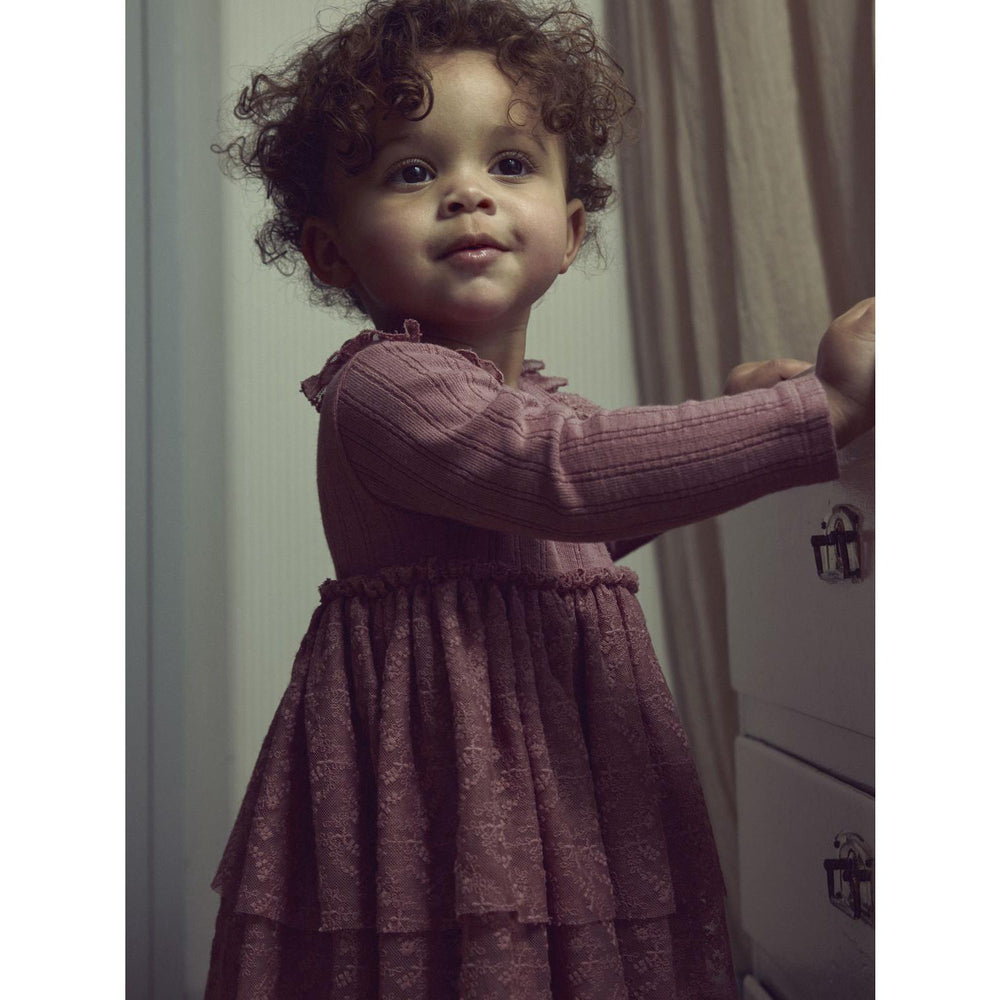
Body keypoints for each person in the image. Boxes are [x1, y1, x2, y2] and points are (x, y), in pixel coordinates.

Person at [204, 1, 874, 997]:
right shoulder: (385, 388)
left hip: (554, 768)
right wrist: (821, 407)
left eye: (510, 162)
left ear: (568, 233)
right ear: (329, 250)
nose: (467, 193)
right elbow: (565, 474)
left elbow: (602, 499)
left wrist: (757, 418)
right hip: (448, 786)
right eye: (412, 172)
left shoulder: (534, 410)